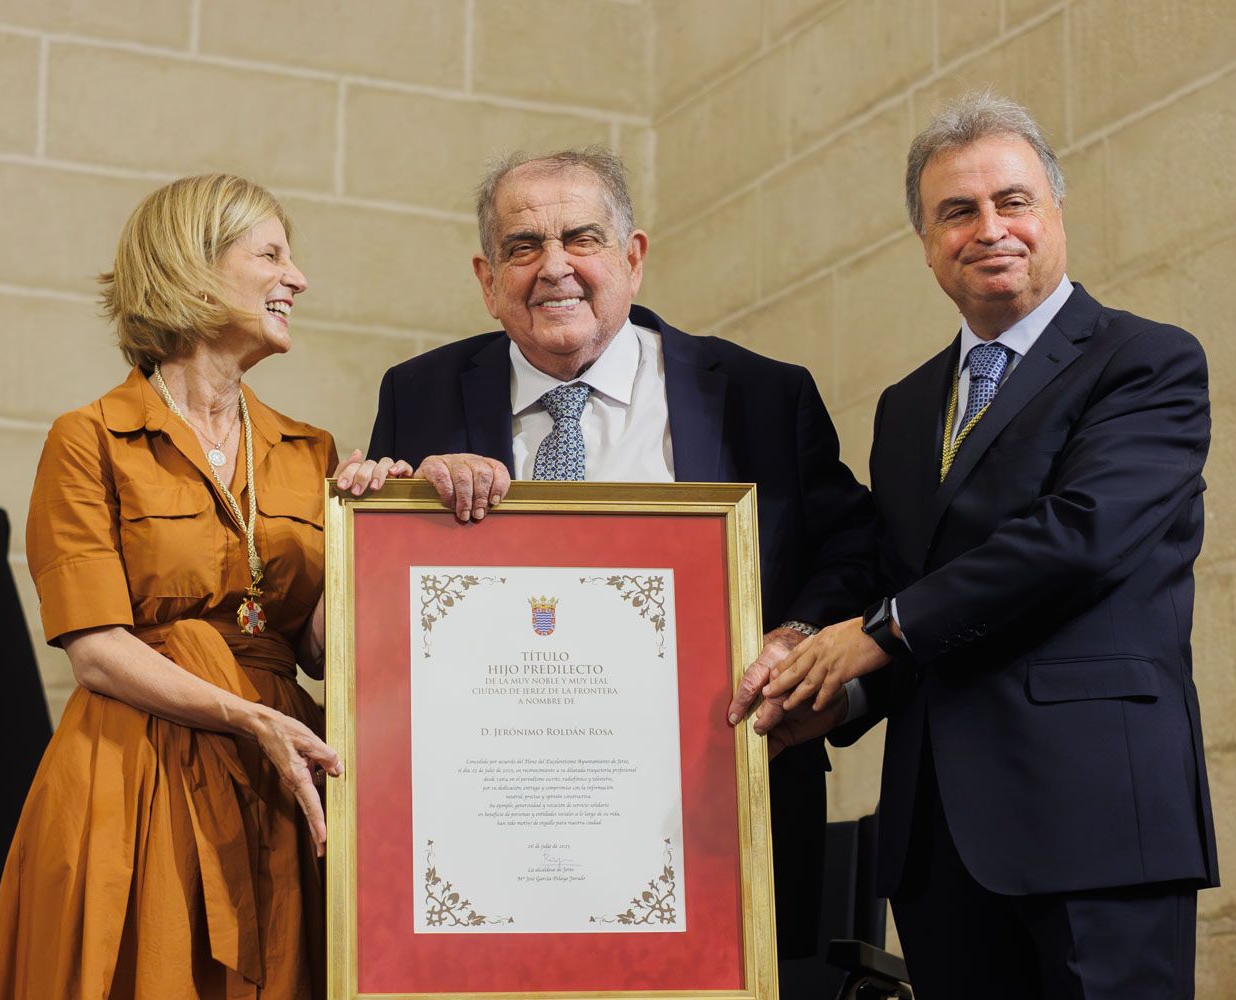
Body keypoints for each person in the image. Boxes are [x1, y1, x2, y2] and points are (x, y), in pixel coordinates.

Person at [736, 93, 1218, 997]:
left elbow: (1079, 536)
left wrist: (872, 632)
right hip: (938, 842)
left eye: (1014, 200)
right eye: (957, 211)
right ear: (925, 243)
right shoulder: (908, 405)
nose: (989, 228)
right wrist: (834, 697)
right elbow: (905, 583)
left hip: (1096, 822)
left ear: (1055, 213)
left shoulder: (1145, 362)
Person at [367, 147, 877, 963]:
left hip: (718, 827)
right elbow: (384, 619)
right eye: (523, 246)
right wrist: (400, 504)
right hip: (493, 841)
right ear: (487, 277)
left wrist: (796, 634)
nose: (554, 268)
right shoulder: (419, 396)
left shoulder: (759, 394)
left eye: (582, 238)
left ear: (633, 258)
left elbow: (856, 553)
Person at [0, 174, 408, 998]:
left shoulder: (311, 450)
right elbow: (98, 652)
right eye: (272, 254)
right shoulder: (89, 439)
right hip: (137, 775)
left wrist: (373, 541)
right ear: (193, 268)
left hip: (280, 778)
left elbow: (317, 649)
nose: (299, 279)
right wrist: (252, 720)